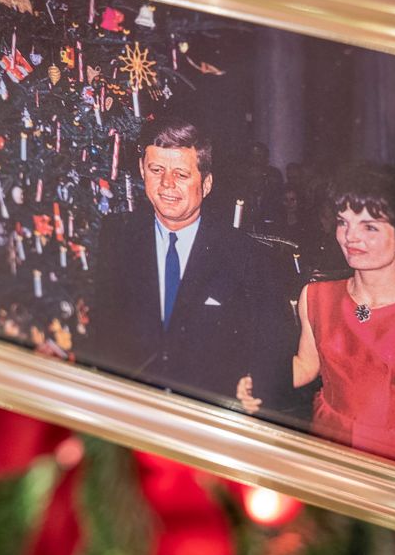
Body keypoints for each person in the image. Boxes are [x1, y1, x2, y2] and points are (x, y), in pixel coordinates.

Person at [238, 164, 395, 469]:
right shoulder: (316, 296)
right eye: (343, 222)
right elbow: (307, 366)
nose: (351, 237)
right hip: (326, 441)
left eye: (370, 227)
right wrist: (259, 381)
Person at [83, 115, 300, 415]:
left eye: (182, 174)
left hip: (207, 417)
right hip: (128, 411)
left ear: (207, 183)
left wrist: (254, 385)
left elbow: (274, 346)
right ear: (142, 172)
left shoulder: (247, 256)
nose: (167, 184)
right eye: (156, 170)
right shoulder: (116, 235)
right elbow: (100, 327)